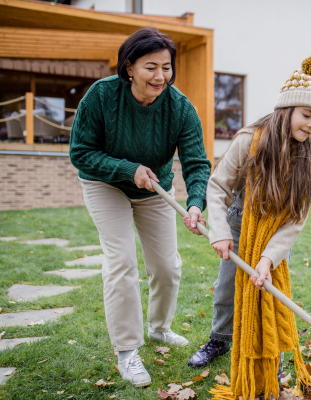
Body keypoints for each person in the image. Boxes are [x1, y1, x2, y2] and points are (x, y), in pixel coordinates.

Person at [69, 27, 212, 387]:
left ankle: (159, 328)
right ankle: (127, 352)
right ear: (129, 66)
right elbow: (81, 153)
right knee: (122, 261)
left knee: (167, 266)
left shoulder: (179, 107)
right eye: (151, 67)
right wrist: (126, 169)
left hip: (154, 190)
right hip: (105, 184)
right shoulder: (101, 96)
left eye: (166, 67)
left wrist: (196, 203)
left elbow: (196, 162)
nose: (160, 76)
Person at [187, 57, 311, 392]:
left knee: (272, 295)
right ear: (287, 109)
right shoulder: (249, 140)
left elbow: (296, 219)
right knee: (227, 289)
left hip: (276, 233)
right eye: (307, 115)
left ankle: (270, 362)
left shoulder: (307, 157)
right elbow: (218, 186)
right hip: (239, 224)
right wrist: (219, 232)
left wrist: (267, 258)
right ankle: (219, 340)